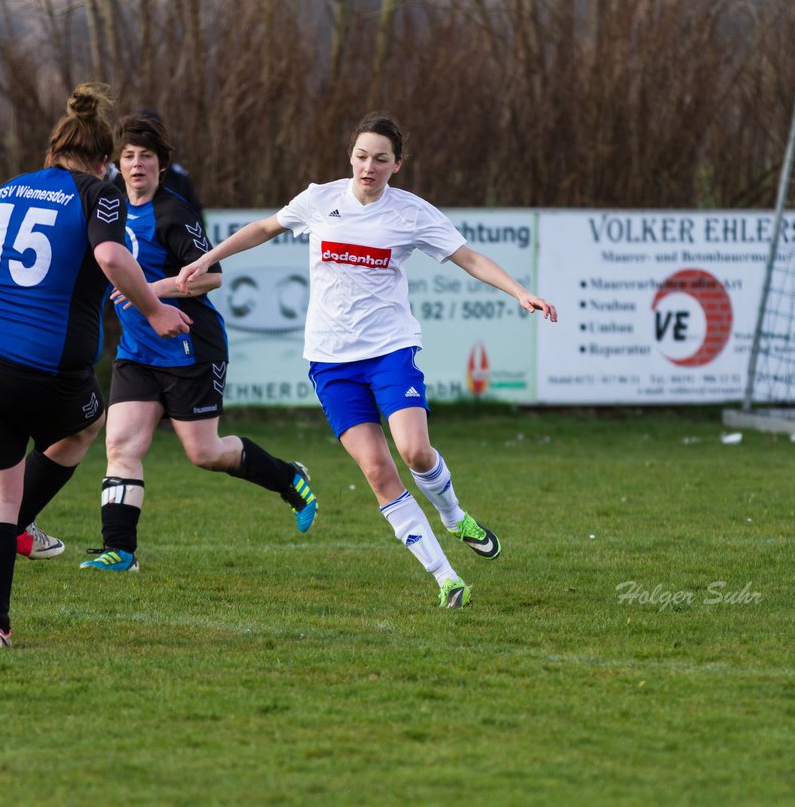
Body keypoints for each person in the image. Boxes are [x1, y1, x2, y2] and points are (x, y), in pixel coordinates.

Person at [176, 113, 558, 608]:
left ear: (397, 165)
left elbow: (469, 258)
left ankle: (454, 515)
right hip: (331, 363)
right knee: (378, 471)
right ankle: (446, 579)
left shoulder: (412, 213)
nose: (368, 167)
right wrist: (207, 258)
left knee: (415, 452)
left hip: (389, 351)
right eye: (361, 156)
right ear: (350, 157)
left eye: (380, 159)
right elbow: (264, 228)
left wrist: (519, 291)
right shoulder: (320, 199)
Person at [0, 82, 192, 649]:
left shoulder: (6, 188)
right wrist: (156, 310)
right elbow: (111, 255)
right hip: (41, 363)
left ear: (51, 153)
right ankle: (17, 529)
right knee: (87, 424)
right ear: (104, 162)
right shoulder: (97, 193)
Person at [81, 111, 317, 573]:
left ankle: (290, 478)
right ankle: (120, 550)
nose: (135, 165)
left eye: (145, 157)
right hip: (137, 350)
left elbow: (212, 276)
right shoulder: (107, 205)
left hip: (191, 347)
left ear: (161, 165)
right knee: (122, 446)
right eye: (128, 156)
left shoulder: (172, 212)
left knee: (204, 453)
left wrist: (158, 290)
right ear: (116, 163)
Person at [109, 108, 204, 223]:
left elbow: (196, 215)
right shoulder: (115, 187)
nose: (137, 163)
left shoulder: (177, 185)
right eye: (129, 156)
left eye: (146, 155)